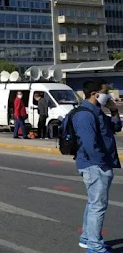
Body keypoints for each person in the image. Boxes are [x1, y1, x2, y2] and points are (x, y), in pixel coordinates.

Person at [74, 79, 121, 253]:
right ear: (95, 94)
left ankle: (87, 238)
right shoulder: (84, 115)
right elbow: (89, 144)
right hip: (95, 165)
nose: (108, 95)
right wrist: (102, 165)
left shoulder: (98, 111)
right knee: (98, 206)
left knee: (93, 204)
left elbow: (116, 127)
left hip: (99, 164)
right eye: (106, 91)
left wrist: (114, 110)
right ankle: (94, 246)